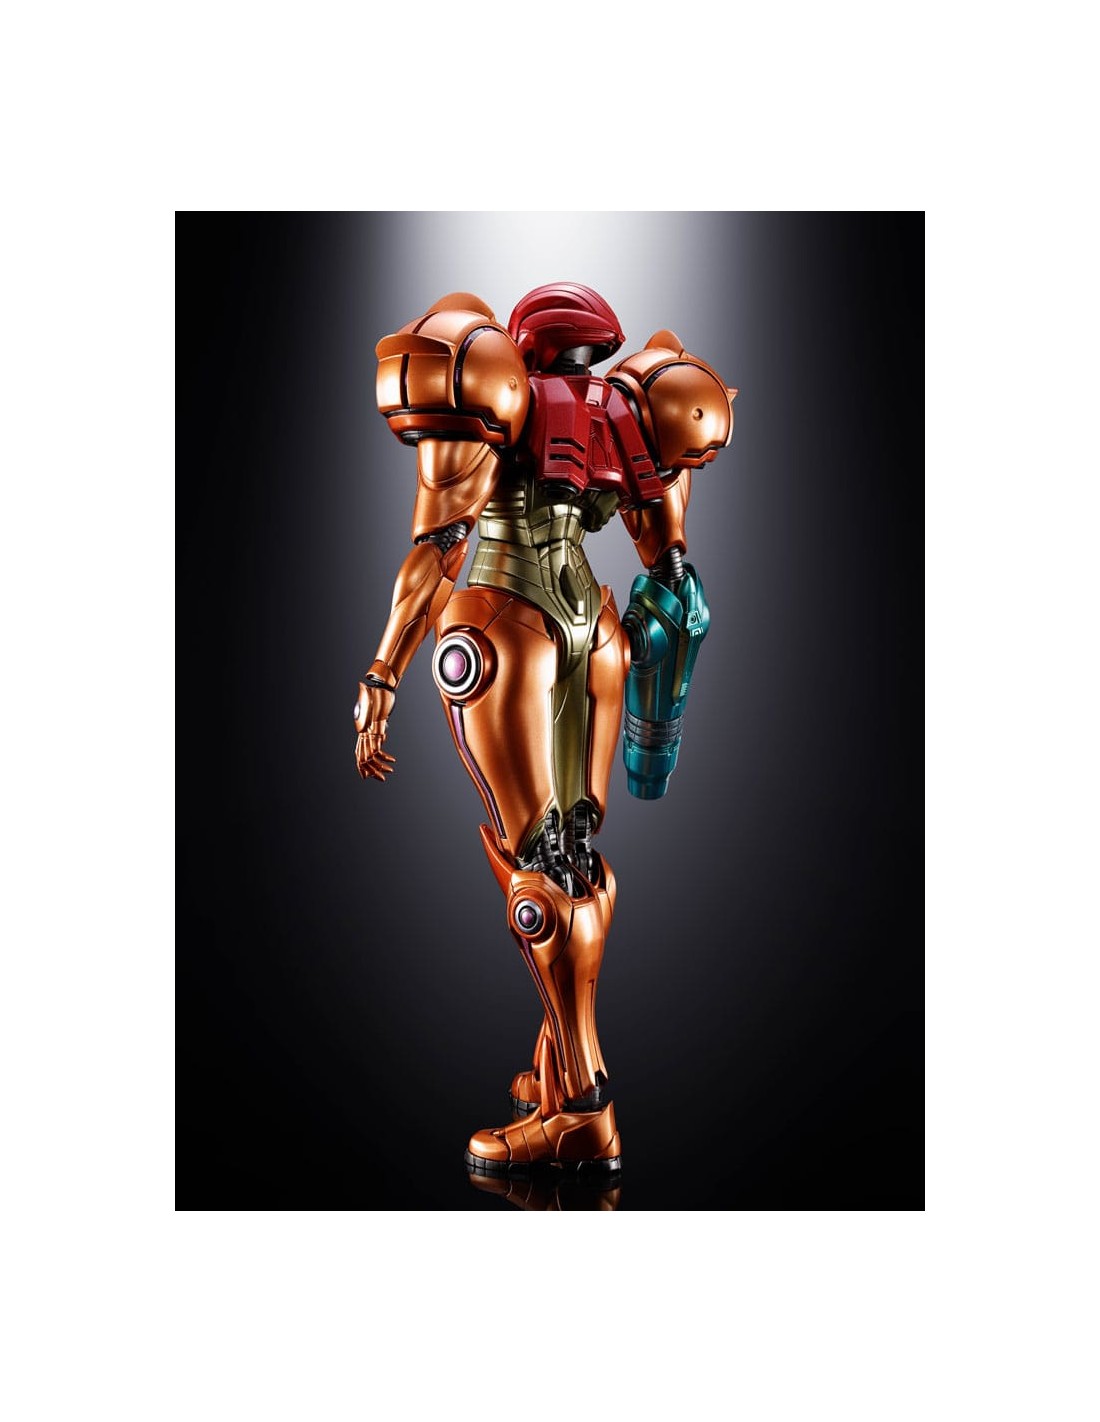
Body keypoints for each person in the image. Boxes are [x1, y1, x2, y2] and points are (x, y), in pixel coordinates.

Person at [354, 283, 736, 1176]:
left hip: (508, 621)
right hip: (591, 632)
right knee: (573, 861)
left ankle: (585, 1113)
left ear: (518, 346)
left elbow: (437, 548)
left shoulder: (494, 395)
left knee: (536, 879)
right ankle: (558, 1068)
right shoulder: (632, 409)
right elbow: (669, 564)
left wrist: (382, 671)